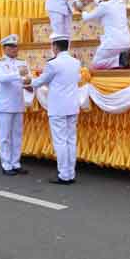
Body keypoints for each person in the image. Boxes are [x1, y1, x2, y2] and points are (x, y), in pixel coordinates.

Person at [30, 34, 81, 184]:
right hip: (72, 106)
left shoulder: (53, 64)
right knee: (71, 140)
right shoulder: (75, 62)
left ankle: (64, 175)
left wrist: (28, 82)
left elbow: (42, 81)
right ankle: (70, 173)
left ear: (56, 47)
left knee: (60, 141)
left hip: (58, 107)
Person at [0, 34, 31, 176]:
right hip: (5, 105)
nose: (15, 49)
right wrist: (17, 73)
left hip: (18, 103)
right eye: (12, 46)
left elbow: (27, 78)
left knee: (17, 135)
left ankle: (16, 162)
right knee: (5, 137)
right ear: (5, 48)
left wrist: (29, 85)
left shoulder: (23, 62)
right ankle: (6, 164)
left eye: (16, 46)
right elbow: (2, 79)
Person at [78, 0, 130, 69]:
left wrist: (81, 9)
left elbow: (87, 17)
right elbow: (104, 4)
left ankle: (118, 60)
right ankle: (118, 60)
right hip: (127, 42)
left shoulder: (104, 6)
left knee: (95, 64)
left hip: (113, 43)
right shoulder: (121, 3)